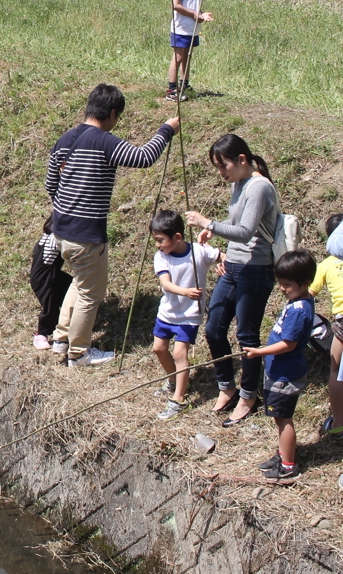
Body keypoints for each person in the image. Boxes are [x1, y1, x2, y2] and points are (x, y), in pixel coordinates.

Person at [46, 85, 178, 367]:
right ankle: (79, 353)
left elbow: (50, 185)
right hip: (86, 235)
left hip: (61, 231)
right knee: (90, 293)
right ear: (113, 113)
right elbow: (144, 157)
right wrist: (166, 130)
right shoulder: (104, 141)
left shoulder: (65, 139)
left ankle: (60, 339)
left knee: (80, 283)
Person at [186, 134, 280, 423]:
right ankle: (226, 387)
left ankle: (249, 394)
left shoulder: (259, 187)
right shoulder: (239, 183)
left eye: (222, 165)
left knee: (246, 335)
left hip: (256, 269)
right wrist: (216, 230)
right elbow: (237, 224)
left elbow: (247, 231)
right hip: (234, 265)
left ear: (241, 160)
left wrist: (207, 222)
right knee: (214, 327)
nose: (221, 172)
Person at [245, 250, 317, 482]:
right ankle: (283, 453)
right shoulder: (297, 301)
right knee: (279, 417)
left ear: (305, 283)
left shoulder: (299, 310)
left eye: (287, 284)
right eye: (280, 283)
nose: (282, 288)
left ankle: (288, 465)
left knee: (283, 418)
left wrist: (259, 352)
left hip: (285, 375)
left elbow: (288, 344)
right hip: (278, 371)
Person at [150, 209, 222, 419]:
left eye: (160, 240)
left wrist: (224, 264)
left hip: (189, 316)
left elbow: (220, 256)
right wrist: (186, 292)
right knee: (159, 349)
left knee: (180, 354)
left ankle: (179, 399)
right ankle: (174, 379)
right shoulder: (161, 257)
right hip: (167, 313)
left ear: (178, 237)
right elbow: (166, 283)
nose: (157, 245)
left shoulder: (199, 251)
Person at [167, 0, 213, 100]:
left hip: (190, 30)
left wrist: (201, 14)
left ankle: (184, 84)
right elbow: (176, 5)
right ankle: (171, 90)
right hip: (181, 29)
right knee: (178, 57)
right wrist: (195, 14)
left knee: (187, 56)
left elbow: (193, 7)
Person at [312, 213, 343, 435]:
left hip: (342, 322)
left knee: (336, 369)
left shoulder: (326, 264)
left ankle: (338, 422)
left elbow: (308, 294)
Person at [30, 217, 73, 351]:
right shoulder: (55, 238)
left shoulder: (46, 237)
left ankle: (71, 321)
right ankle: (41, 334)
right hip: (44, 278)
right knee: (50, 305)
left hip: (52, 274)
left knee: (70, 289)